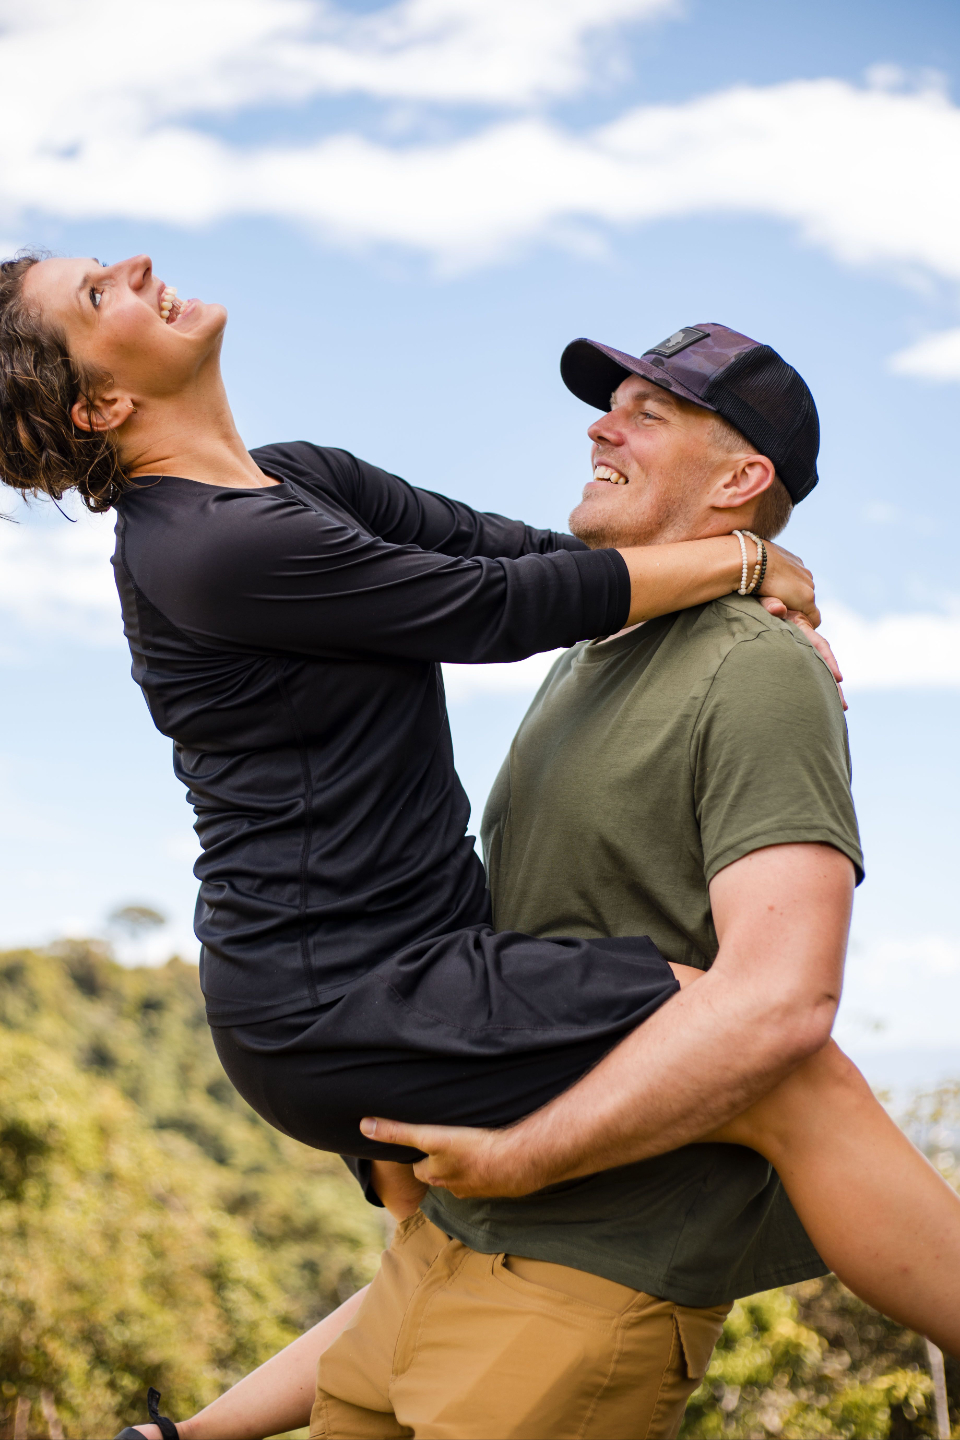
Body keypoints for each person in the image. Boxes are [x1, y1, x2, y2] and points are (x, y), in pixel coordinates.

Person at [0, 253, 955, 1438]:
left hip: (374, 989)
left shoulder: (296, 483)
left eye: (649, 414)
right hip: (341, 991)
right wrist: (749, 563)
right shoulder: (212, 547)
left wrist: (730, 582)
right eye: (96, 296)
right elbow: (494, 609)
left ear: (740, 477)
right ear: (101, 406)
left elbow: (505, 555)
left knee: (493, 1191)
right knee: (777, 1062)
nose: (133, 268)